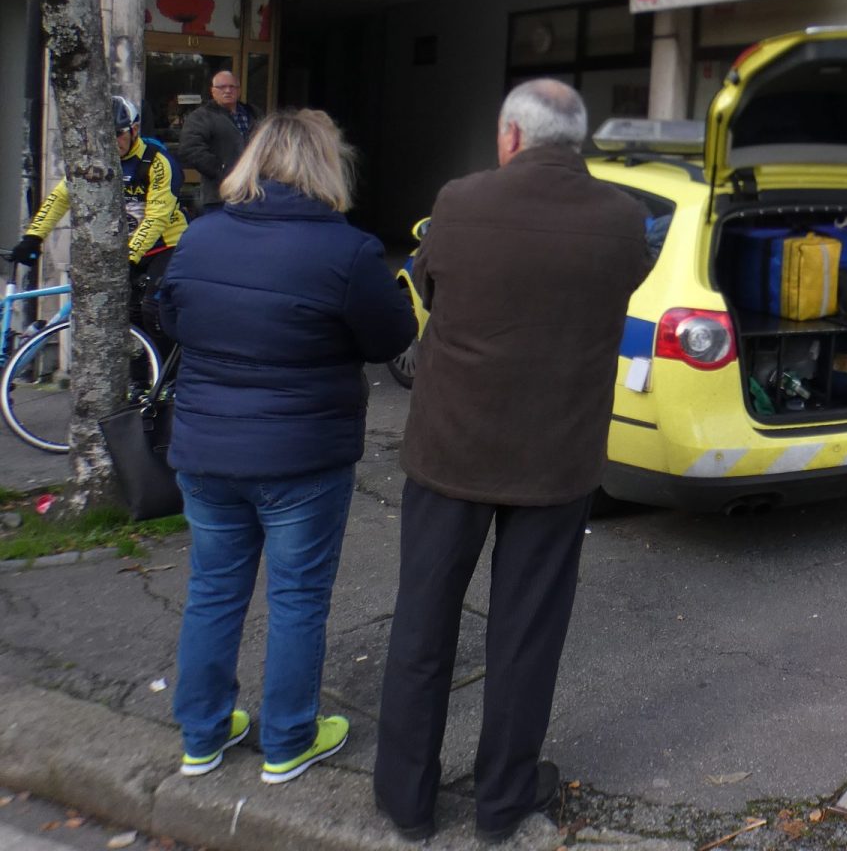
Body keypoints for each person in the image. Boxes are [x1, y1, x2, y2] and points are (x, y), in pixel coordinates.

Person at [374, 80, 653, 844]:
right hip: (555, 461)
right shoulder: (623, 220)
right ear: (578, 140)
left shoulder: (459, 202)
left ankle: (407, 799)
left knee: (423, 625)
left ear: (510, 137)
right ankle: (502, 803)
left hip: (452, 452)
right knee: (526, 636)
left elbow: (427, 283)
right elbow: (627, 285)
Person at [157, 111, 416, 784]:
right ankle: (288, 740)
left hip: (207, 448)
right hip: (303, 456)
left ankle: (202, 736)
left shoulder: (202, 236)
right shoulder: (349, 251)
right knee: (298, 597)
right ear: (326, 166)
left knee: (213, 591)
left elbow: (172, 315)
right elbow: (390, 340)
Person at [9, 95, 189, 342]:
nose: (112, 142)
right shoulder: (93, 161)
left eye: (118, 134)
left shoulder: (157, 162)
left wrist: (129, 257)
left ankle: (168, 376)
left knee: (153, 308)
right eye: (105, 135)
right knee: (127, 313)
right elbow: (60, 198)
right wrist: (33, 236)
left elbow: (157, 217)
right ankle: (139, 378)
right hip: (125, 247)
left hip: (165, 245)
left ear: (134, 129)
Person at [177, 70, 258, 213]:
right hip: (218, 196)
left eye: (232, 87)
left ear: (239, 90)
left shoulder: (254, 114)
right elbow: (190, 149)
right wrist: (222, 170)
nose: (228, 90)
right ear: (213, 91)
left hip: (254, 193)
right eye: (222, 87)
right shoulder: (201, 117)